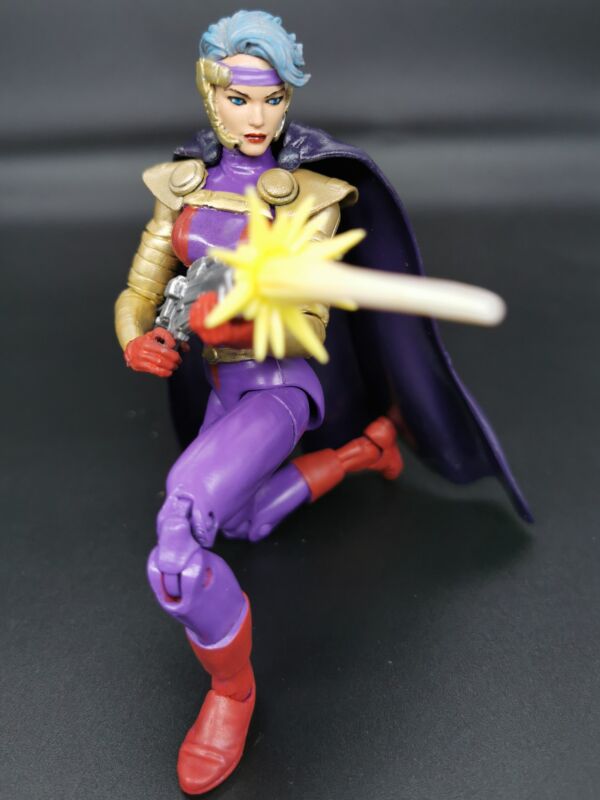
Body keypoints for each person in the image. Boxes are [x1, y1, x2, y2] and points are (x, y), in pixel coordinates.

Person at [115, 10, 531, 795]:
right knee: (243, 522)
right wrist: (139, 337)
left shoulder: (306, 197)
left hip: (277, 389)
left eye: (273, 98)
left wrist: (235, 319)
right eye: (241, 97)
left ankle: (233, 694)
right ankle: (365, 452)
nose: (258, 116)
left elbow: (306, 320)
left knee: (179, 540)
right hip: (221, 385)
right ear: (211, 94)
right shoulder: (184, 187)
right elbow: (142, 288)